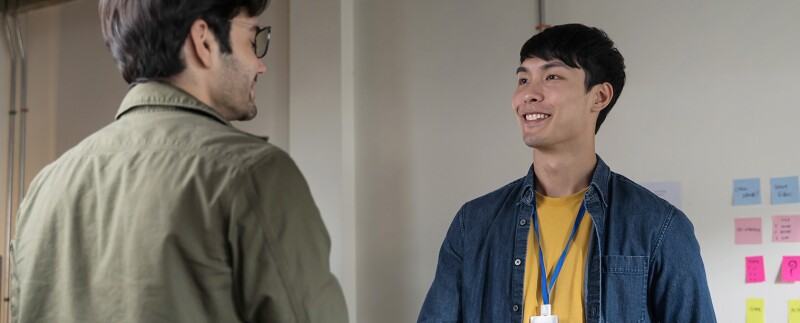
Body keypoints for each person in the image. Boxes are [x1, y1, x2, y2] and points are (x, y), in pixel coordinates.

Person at [11, 0, 348, 322]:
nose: (260, 64)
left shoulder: (42, 190)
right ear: (203, 40)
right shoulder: (254, 176)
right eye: (252, 39)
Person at [418, 24, 716, 323]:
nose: (528, 94)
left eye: (552, 76)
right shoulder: (474, 224)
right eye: (523, 79)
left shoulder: (659, 226)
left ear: (599, 96)